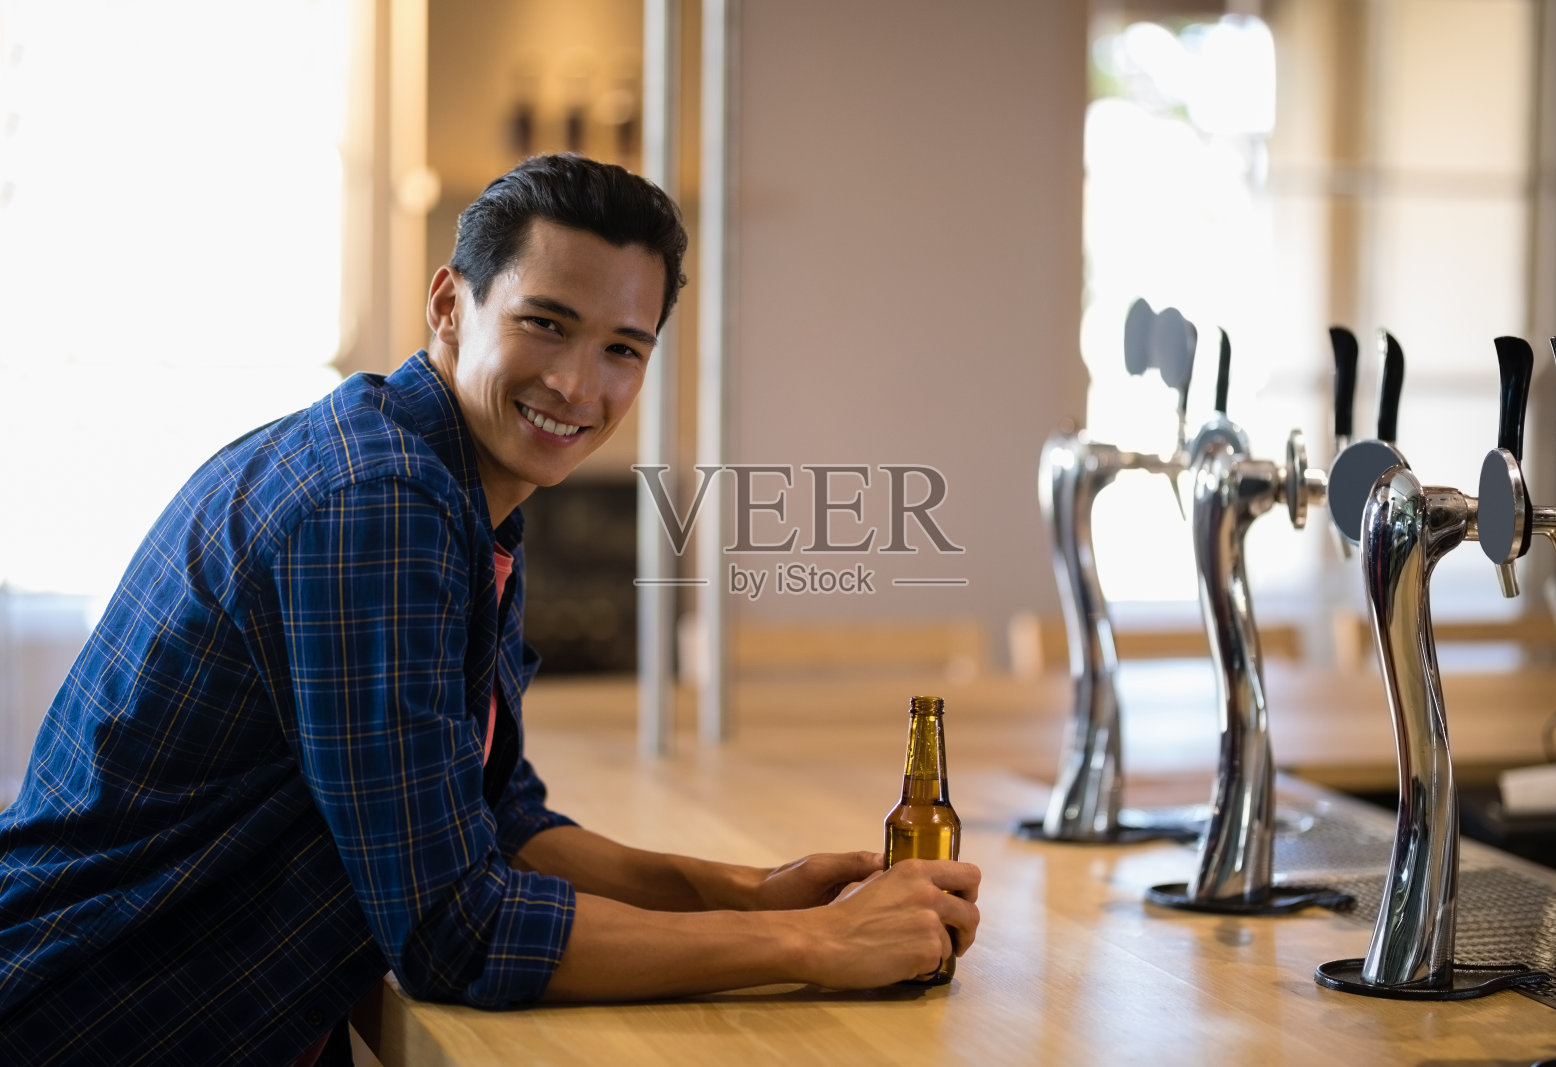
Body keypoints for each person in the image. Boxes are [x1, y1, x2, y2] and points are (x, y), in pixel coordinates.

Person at [0, 153, 981, 1066]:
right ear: (449, 304)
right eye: (545, 323)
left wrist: (754, 890)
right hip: (93, 1020)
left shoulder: (451, 490)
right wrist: (811, 943)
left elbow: (498, 816)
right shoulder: (377, 505)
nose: (577, 385)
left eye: (622, 347)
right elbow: (452, 932)